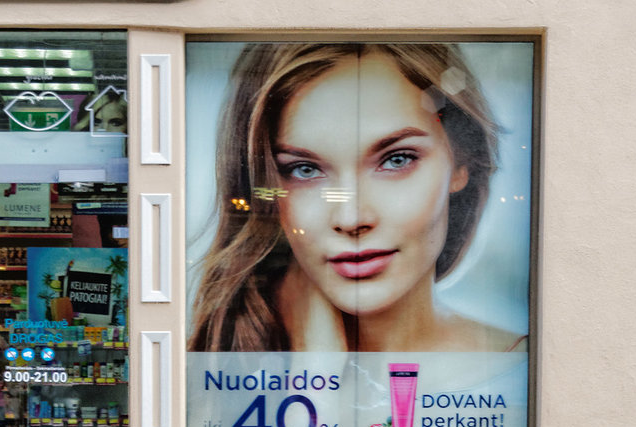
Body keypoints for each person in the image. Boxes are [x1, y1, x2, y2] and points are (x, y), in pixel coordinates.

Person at [190, 42, 523, 354]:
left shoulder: (521, 374)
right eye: (304, 170)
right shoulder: (214, 376)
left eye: (397, 159)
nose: (351, 218)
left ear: (460, 164)